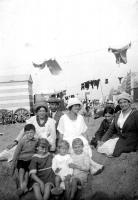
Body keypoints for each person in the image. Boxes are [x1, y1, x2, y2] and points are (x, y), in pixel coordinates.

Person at [57, 97, 104, 175]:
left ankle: (91, 166)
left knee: (84, 146)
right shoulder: (63, 118)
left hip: (79, 139)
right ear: (70, 107)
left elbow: (84, 132)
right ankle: (93, 166)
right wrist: (60, 146)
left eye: (78, 105)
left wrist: (88, 143)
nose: (77, 107)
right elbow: (61, 134)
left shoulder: (80, 117)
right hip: (68, 141)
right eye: (75, 105)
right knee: (75, 148)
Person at [98, 92, 138, 157]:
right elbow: (111, 129)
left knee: (116, 152)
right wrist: (103, 140)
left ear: (129, 102)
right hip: (121, 138)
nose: (122, 104)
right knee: (103, 147)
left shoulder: (135, 114)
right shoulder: (118, 114)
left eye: (125, 102)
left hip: (132, 140)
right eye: (120, 103)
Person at [11, 124, 38, 195]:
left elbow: (37, 150)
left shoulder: (36, 140)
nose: (30, 134)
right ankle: (21, 185)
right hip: (22, 159)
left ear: (34, 132)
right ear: (25, 133)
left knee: (27, 173)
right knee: (21, 170)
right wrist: (14, 161)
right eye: (27, 133)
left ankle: (24, 186)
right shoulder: (22, 141)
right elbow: (17, 151)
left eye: (31, 132)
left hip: (30, 160)